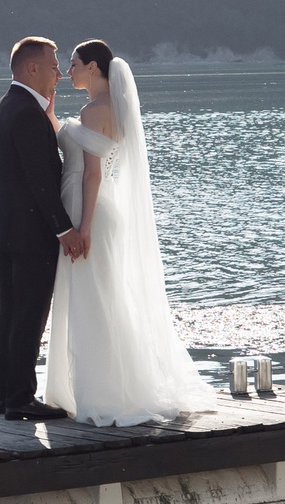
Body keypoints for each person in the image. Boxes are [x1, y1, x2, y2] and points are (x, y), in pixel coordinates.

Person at [42, 40, 217, 425]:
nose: (68, 71)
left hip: (88, 208)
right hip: (99, 207)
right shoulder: (110, 108)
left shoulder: (93, 111)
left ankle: (99, 393)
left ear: (92, 67)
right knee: (101, 296)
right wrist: (53, 118)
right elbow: (85, 156)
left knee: (92, 299)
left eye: (73, 64)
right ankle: (104, 385)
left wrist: (83, 227)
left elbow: (91, 173)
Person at [0, 35, 83, 419]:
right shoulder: (25, 112)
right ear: (32, 68)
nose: (60, 73)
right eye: (54, 66)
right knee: (28, 314)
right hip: (30, 233)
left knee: (9, 313)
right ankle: (21, 399)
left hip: (7, 230)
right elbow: (39, 179)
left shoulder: (7, 105)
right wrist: (64, 229)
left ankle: (6, 398)